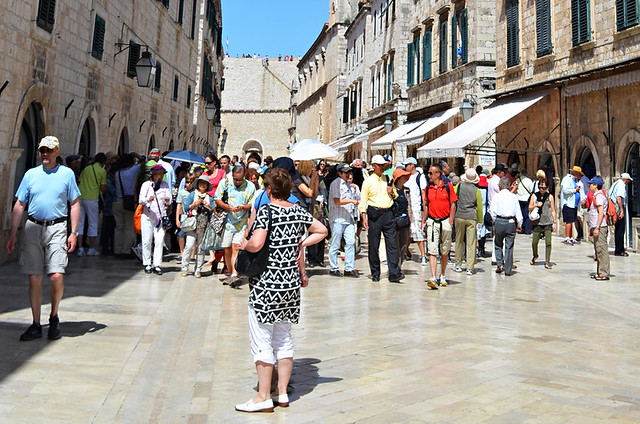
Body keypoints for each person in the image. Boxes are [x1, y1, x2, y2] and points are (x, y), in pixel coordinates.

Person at [235, 167, 327, 413]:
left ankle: (263, 396)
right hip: (290, 284)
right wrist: (300, 242)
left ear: (268, 190)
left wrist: (244, 243)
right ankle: (282, 393)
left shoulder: (267, 210)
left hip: (267, 284)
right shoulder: (298, 211)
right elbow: (322, 230)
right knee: (284, 338)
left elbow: (257, 244)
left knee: (262, 338)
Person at [5, 136, 81, 341]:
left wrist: (73, 232)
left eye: (49, 150)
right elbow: (20, 204)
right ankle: (36, 324)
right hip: (32, 227)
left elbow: (74, 203)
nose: (45, 154)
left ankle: (54, 317)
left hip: (57, 227)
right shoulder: (31, 175)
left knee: (56, 275)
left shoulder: (67, 174)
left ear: (57, 151)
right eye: (42, 151)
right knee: (34, 277)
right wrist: (12, 232)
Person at [359, 155, 403, 283]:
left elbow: (395, 196)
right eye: (380, 165)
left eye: (384, 165)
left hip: (388, 214)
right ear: (374, 166)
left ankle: (394, 272)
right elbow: (363, 200)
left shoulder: (388, 179)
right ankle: (375, 272)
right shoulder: (367, 182)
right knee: (374, 245)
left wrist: (392, 193)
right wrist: (363, 217)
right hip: (374, 214)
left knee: (392, 244)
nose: (383, 167)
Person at [215, 165, 256, 285]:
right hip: (227, 222)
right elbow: (217, 199)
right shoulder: (225, 183)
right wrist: (227, 206)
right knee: (227, 248)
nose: (237, 182)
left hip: (241, 222)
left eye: (240, 179)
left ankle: (234, 273)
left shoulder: (250, 186)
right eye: (235, 179)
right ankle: (229, 271)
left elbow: (252, 204)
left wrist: (242, 207)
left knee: (236, 247)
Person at [422, 163, 458, 289]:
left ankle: (442, 274)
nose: (429, 175)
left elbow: (453, 204)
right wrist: (424, 220)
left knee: (444, 250)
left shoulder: (448, 186)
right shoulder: (428, 188)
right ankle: (433, 276)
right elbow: (426, 205)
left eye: (431, 173)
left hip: (445, 221)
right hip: (433, 221)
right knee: (432, 250)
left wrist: (451, 221)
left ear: (438, 174)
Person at [139, 164, 172, 274]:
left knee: (159, 241)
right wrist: (149, 199)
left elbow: (169, 200)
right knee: (147, 240)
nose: (161, 176)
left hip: (160, 217)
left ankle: (157, 264)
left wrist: (167, 200)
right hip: (148, 216)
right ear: (153, 175)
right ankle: (147, 263)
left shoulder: (165, 185)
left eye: (162, 174)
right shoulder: (146, 185)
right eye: (159, 173)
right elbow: (141, 200)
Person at [328, 163, 359, 277]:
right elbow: (337, 201)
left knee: (351, 242)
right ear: (339, 173)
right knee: (335, 244)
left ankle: (349, 268)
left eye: (349, 172)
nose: (348, 174)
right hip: (338, 218)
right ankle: (333, 267)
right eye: (345, 172)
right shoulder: (336, 183)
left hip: (348, 218)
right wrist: (351, 201)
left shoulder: (349, 185)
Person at [181, 175, 214, 278]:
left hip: (204, 225)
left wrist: (208, 206)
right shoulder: (192, 195)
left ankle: (198, 269)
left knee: (201, 248)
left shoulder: (210, 198)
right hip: (193, 223)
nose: (202, 185)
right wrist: (193, 205)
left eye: (204, 184)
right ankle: (185, 267)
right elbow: (186, 208)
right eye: (200, 183)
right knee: (189, 246)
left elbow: (213, 211)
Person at [489, 176, 523, 276]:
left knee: (498, 243)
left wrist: (496, 221)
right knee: (509, 246)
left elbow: (492, 212)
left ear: (500, 186)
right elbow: (518, 213)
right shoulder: (513, 197)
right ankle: (508, 270)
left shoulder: (496, 196)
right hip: (511, 222)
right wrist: (519, 224)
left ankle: (500, 265)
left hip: (499, 221)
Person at [453, 168, 483, 275]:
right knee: (471, 242)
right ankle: (470, 267)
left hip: (459, 215)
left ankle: (458, 264)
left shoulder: (459, 186)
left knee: (459, 240)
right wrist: (480, 220)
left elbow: (453, 200)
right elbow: (479, 206)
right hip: (471, 217)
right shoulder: (477, 190)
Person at [76, 152, 107, 256]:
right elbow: (103, 188)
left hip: (81, 197)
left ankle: (80, 248)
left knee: (80, 223)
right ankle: (91, 248)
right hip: (92, 198)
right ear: (103, 162)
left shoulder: (86, 168)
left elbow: (79, 182)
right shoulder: (102, 171)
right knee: (92, 223)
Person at [113, 153, 142, 258]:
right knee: (129, 227)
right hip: (129, 201)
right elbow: (144, 162)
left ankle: (117, 250)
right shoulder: (133, 170)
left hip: (118, 201)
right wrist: (136, 155)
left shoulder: (117, 173)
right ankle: (126, 251)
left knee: (119, 227)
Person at [402, 157, 428, 265]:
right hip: (407, 208)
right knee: (408, 231)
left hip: (416, 208)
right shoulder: (406, 177)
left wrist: (424, 210)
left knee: (417, 232)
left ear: (412, 165)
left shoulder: (420, 177)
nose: (405, 167)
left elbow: (423, 193)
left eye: (407, 165)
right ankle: (404, 251)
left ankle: (423, 255)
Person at [203, 154, 227, 270]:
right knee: (209, 230)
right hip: (207, 203)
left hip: (218, 204)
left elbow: (225, 187)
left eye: (208, 163)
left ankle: (218, 256)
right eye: (205, 163)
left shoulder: (221, 173)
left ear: (214, 163)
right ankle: (212, 256)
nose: (206, 165)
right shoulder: (204, 174)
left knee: (218, 230)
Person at [529, 179, 557, 268]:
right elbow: (529, 207)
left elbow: (552, 210)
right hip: (537, 222)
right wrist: (536, 205)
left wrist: (555, 222)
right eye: (540, 187)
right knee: (534, 242)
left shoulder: (550, 197)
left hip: (547, 222)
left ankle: (547, 261)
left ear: (547, 188)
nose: (541, 190)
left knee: (548, 243)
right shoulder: (534, 196)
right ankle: (535, 255)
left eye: (543, 188)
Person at [588, 176, 610, 280]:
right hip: (596, 226)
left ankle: (604, 273)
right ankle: (599, 271)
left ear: (595, 185)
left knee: (601, 249)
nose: (589, 186)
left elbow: (601, 213)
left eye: (591, 184)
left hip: (600, 227)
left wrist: (597, 227)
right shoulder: (596, 196)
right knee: (598, 250)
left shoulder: (599, 196)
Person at [609, 172, 633, 256]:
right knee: (620, 229)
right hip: (618, 207)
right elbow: (619, 197)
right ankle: (619, 250)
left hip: (613, 206)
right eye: (628, 180)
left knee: (618, 229)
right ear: (626, 180)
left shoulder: (616, 183)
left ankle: (619, 248)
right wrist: (622, 210)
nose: (628, 182)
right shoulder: (621, 185)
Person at [392, 168, 411, 272]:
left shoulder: (407, 190)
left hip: (405, 221)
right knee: (394, 245)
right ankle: (394, 267)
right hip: (393, 221)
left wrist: (411, 219)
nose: (405, 178)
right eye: (403, 177)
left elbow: (409, 205)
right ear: (398, 178)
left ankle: (399, 266)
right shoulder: (391, 190)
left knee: (403, 245)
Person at [560, 165, 584, 245]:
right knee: (568, 221)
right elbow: (565, 191)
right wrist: (575, 190)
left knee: (572, 220)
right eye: (579, 174)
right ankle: (567, 237)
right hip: (568, 203)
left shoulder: (574, 180)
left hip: (573, 204)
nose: (580, 176)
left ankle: (571, 237)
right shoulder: (567, 179)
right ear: (576, 173)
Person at [175, 173, 196, 259]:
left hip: (193, 216)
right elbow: (178, 205)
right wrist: (177, 219)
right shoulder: (182, 192)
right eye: (187, 182)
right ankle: (181, 252)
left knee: (193, 236)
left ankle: (192, 255)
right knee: (181, 234)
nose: (189, 184)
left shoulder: (196, 192)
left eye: (191, 182)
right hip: (184, 216)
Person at [515, 168, 534, 234]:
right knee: (527, 214)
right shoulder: (529, 181)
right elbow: (531, 190)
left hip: (519, 198)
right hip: (526, 199)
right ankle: (527, 230)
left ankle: (521, 229)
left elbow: (515, 187)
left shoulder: (518, 180)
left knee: (521, 214)